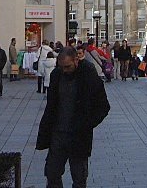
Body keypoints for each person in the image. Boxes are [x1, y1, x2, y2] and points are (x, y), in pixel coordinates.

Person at [36, 47, 110, 188]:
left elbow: (103, 106)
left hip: (78, 135)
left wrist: (87, 124)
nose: (64, 70)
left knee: (79, 178)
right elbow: (51, 106)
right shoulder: (56, 75)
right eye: (62, 67)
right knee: (52, 173)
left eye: (68, 67)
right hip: (58, 135)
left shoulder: (88, 74)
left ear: (76, 60)